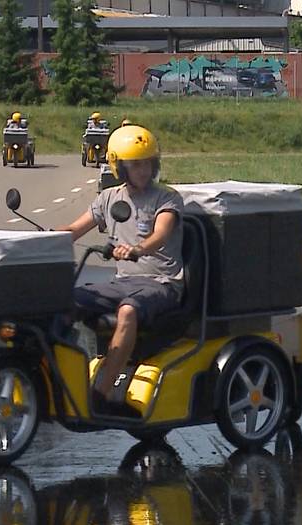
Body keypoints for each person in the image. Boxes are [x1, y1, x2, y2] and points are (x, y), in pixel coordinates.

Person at [60, 125, 183, 412]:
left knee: (127, 310)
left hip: (163, 282)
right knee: (63, 300)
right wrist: (42, 241)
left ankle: (99, 397)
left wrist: (138, 249)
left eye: (148, 163)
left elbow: (161, 233)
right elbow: (75, 229)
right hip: (123, 281)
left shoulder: (167, 198)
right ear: (119, 167)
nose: (143, 170)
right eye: (135, 164)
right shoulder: (109, 198)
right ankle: (60, 379)